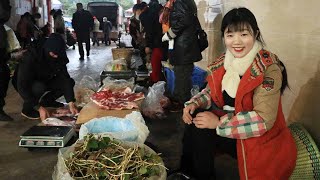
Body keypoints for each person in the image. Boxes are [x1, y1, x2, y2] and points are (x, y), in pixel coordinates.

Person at [181, 7, 297, 179]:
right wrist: (194, 103)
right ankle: (189, 173)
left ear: (255, 34)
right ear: (224, 37)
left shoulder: (268, 69)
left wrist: (219, 123)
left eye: (244, 34)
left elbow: (263, 120)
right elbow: (211, 92)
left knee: (202, 130)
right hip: (233, 128)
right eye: (230, 35)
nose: (237, 42)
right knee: (195, 119)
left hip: (259, 137)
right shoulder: (224, 62)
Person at [14, 33, 78, 120]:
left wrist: (71, 103)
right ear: (47, 49)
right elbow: (22, 85)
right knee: (39, 87)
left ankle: (47, 101)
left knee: (69, 82)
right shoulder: (31, 56)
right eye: (53, 54)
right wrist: (38, 107)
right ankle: (27, 109)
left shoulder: (59, 54)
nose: (55, 56)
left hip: (45, 77)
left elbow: (64, 78)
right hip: (26, 82)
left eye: (57, 54)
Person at [161, 0, 202, 111]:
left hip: (183, 47)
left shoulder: (181, 2)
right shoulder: (187, 1)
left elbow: (185, 20)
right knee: (183, 76)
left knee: (182, 76)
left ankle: (182, 104)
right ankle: (180, 101)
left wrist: (170, 33)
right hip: (185, 47)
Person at [0, 0, 24, 121]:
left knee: (3, 78)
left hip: (3, 60)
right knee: (2, 79)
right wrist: (12, 56)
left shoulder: (4, 28)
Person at [140, 0, 164, 83]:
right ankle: (157, 81)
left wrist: (148, 45)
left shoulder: (148, 16)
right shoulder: (163, 11)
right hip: (165, 43)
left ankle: (156, 83)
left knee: (156, 66)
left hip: (158, 45)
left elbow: (150, 32)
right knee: (160, 67)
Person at [129, 3, 147, 71]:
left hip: (145, 41)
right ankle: (141, 67)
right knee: (138, 55)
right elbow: (131, 32)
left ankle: (144, 67)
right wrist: (136, 40)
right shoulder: (132, 21)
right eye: (137, 11)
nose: (139, 12)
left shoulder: (145, 18)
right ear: (135, 11)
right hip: (136, 42)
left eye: (140, 11)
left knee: (144, 55)